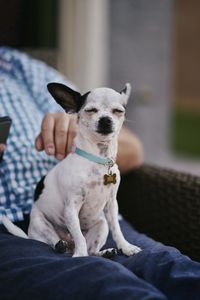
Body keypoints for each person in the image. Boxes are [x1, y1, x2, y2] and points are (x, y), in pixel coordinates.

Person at [0, 47, 200, 300]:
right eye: (92, 112)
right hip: (15, 230)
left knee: (174, 268)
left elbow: (134, 150)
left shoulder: (20, 67)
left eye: (116, 112)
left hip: (94, 219)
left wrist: (83, 134)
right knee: (111, 286)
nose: (104, 117)